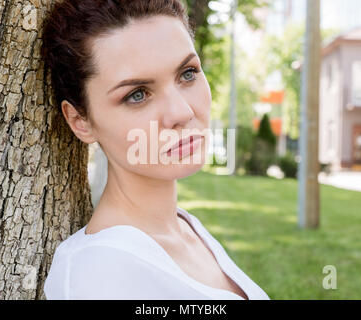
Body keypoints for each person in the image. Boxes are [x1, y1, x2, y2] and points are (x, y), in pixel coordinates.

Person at [41, 0, 269, 300]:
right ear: (80, 121)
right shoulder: (97, 273)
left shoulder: (187, 228)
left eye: (187, 73)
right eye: (137, 95)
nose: (181, 112)